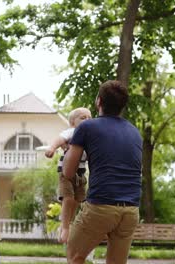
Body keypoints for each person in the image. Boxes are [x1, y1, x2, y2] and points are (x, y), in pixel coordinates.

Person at [63, 80, 142, 264]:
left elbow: (68, 171)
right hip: (131, 210)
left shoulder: (87, 127)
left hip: (101, 205)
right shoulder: (134, 132)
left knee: (75, 255)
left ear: (99, 101)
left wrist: (69, 148)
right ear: (122, 106)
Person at [44, 107, 92, 243]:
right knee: (68, 198)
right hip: (66, 173)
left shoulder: (91, 136)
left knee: (78, 200)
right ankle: (64, 227)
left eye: (90, 118)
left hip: (81, 174)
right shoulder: (73, 132)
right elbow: (59, 139)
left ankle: (69, 224)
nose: (87, 120)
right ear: (72, 122)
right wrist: (52, 148)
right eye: (83, 118)